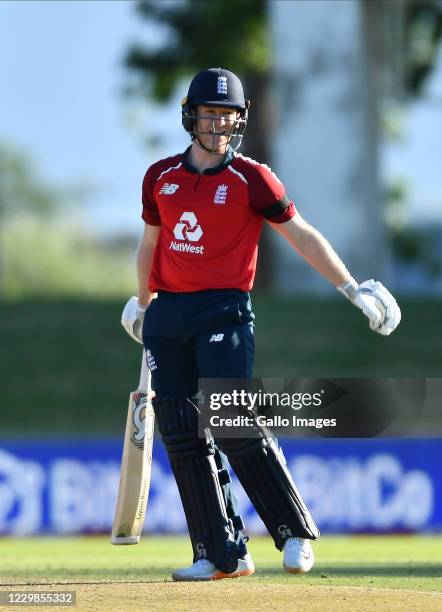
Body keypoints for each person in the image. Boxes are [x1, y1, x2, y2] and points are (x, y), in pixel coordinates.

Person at [121, 67, 401, 582]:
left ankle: (293, 531)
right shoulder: (160, 176)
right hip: (169, 315)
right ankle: (220, 551)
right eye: (209, 114)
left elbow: (302, 235)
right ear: (190, 116)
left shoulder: (252, 177)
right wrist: (142, 303)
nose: (218, 125)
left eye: (228, 116)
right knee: (183, 433)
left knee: (231, 420)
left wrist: (351, 287)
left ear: (240, 121)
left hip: (224, 308)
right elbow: (149, 244)